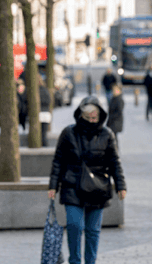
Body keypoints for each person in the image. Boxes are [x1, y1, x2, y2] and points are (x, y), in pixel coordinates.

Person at [48, 96, 126, 264]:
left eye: (94, 117)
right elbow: (58, 160)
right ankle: (75, 261)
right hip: (72, 186)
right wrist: (53, 185)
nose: (92, 120)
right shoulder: (68, 133)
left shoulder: (107, 134)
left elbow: (114, 162)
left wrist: (121, 185)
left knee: (92, 230)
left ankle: (91, 261)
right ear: (80, 116)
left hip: (97, 188)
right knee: (74, 226)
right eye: (88, 116)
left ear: (100, 116)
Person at [39, 77, 52, 147]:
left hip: (39, 113)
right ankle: (45, 145)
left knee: (40, 132)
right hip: (46, 113)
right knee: (44, 132)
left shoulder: (36, 91)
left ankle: (42, 145)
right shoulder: (46, 91)